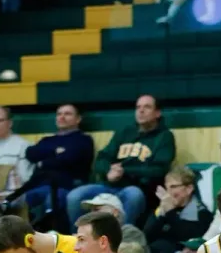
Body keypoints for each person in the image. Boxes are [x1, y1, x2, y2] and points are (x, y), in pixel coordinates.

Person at [67, 95, 176, 225]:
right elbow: (102, 158)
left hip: (136, 187)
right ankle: (80, 238)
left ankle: (122, 239)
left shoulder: (164, 136)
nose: (141, 111)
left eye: (147, 107)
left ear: (157, 113)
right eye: (138, 107)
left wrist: (124, 171)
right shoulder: (125, 132)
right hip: (108, 185)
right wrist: (109, 172)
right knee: (74, 196)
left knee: (134, 196)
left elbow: (159, 169)